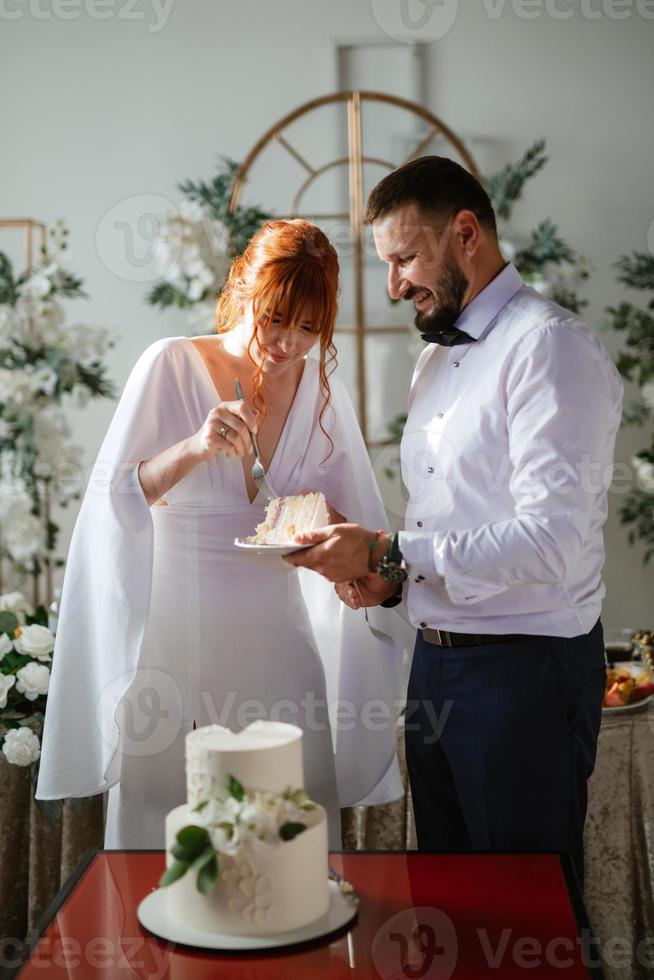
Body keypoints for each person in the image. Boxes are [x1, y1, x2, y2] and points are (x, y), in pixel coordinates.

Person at [286, 157, 623, 887]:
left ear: (466, 232)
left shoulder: (551, 349)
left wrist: (385, 547)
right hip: (435, 666)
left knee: (530, 924)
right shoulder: (435, 362)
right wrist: (389, 577)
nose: (393, 284)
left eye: (405, 257)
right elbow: (458, 523)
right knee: (454, 914)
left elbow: (551, 542)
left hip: (525, 675)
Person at [36, 219, 409, 850]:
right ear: (245, 291)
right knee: (174, 819)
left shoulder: (322, 389)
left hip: (279, 639)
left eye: (309, 328)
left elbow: (349, 513)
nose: (289, 343)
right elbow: (112, 498)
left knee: (289, 821)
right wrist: (195, 445)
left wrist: (332, 536)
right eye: (277, 319)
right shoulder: (171, 362)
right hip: (176, 641)